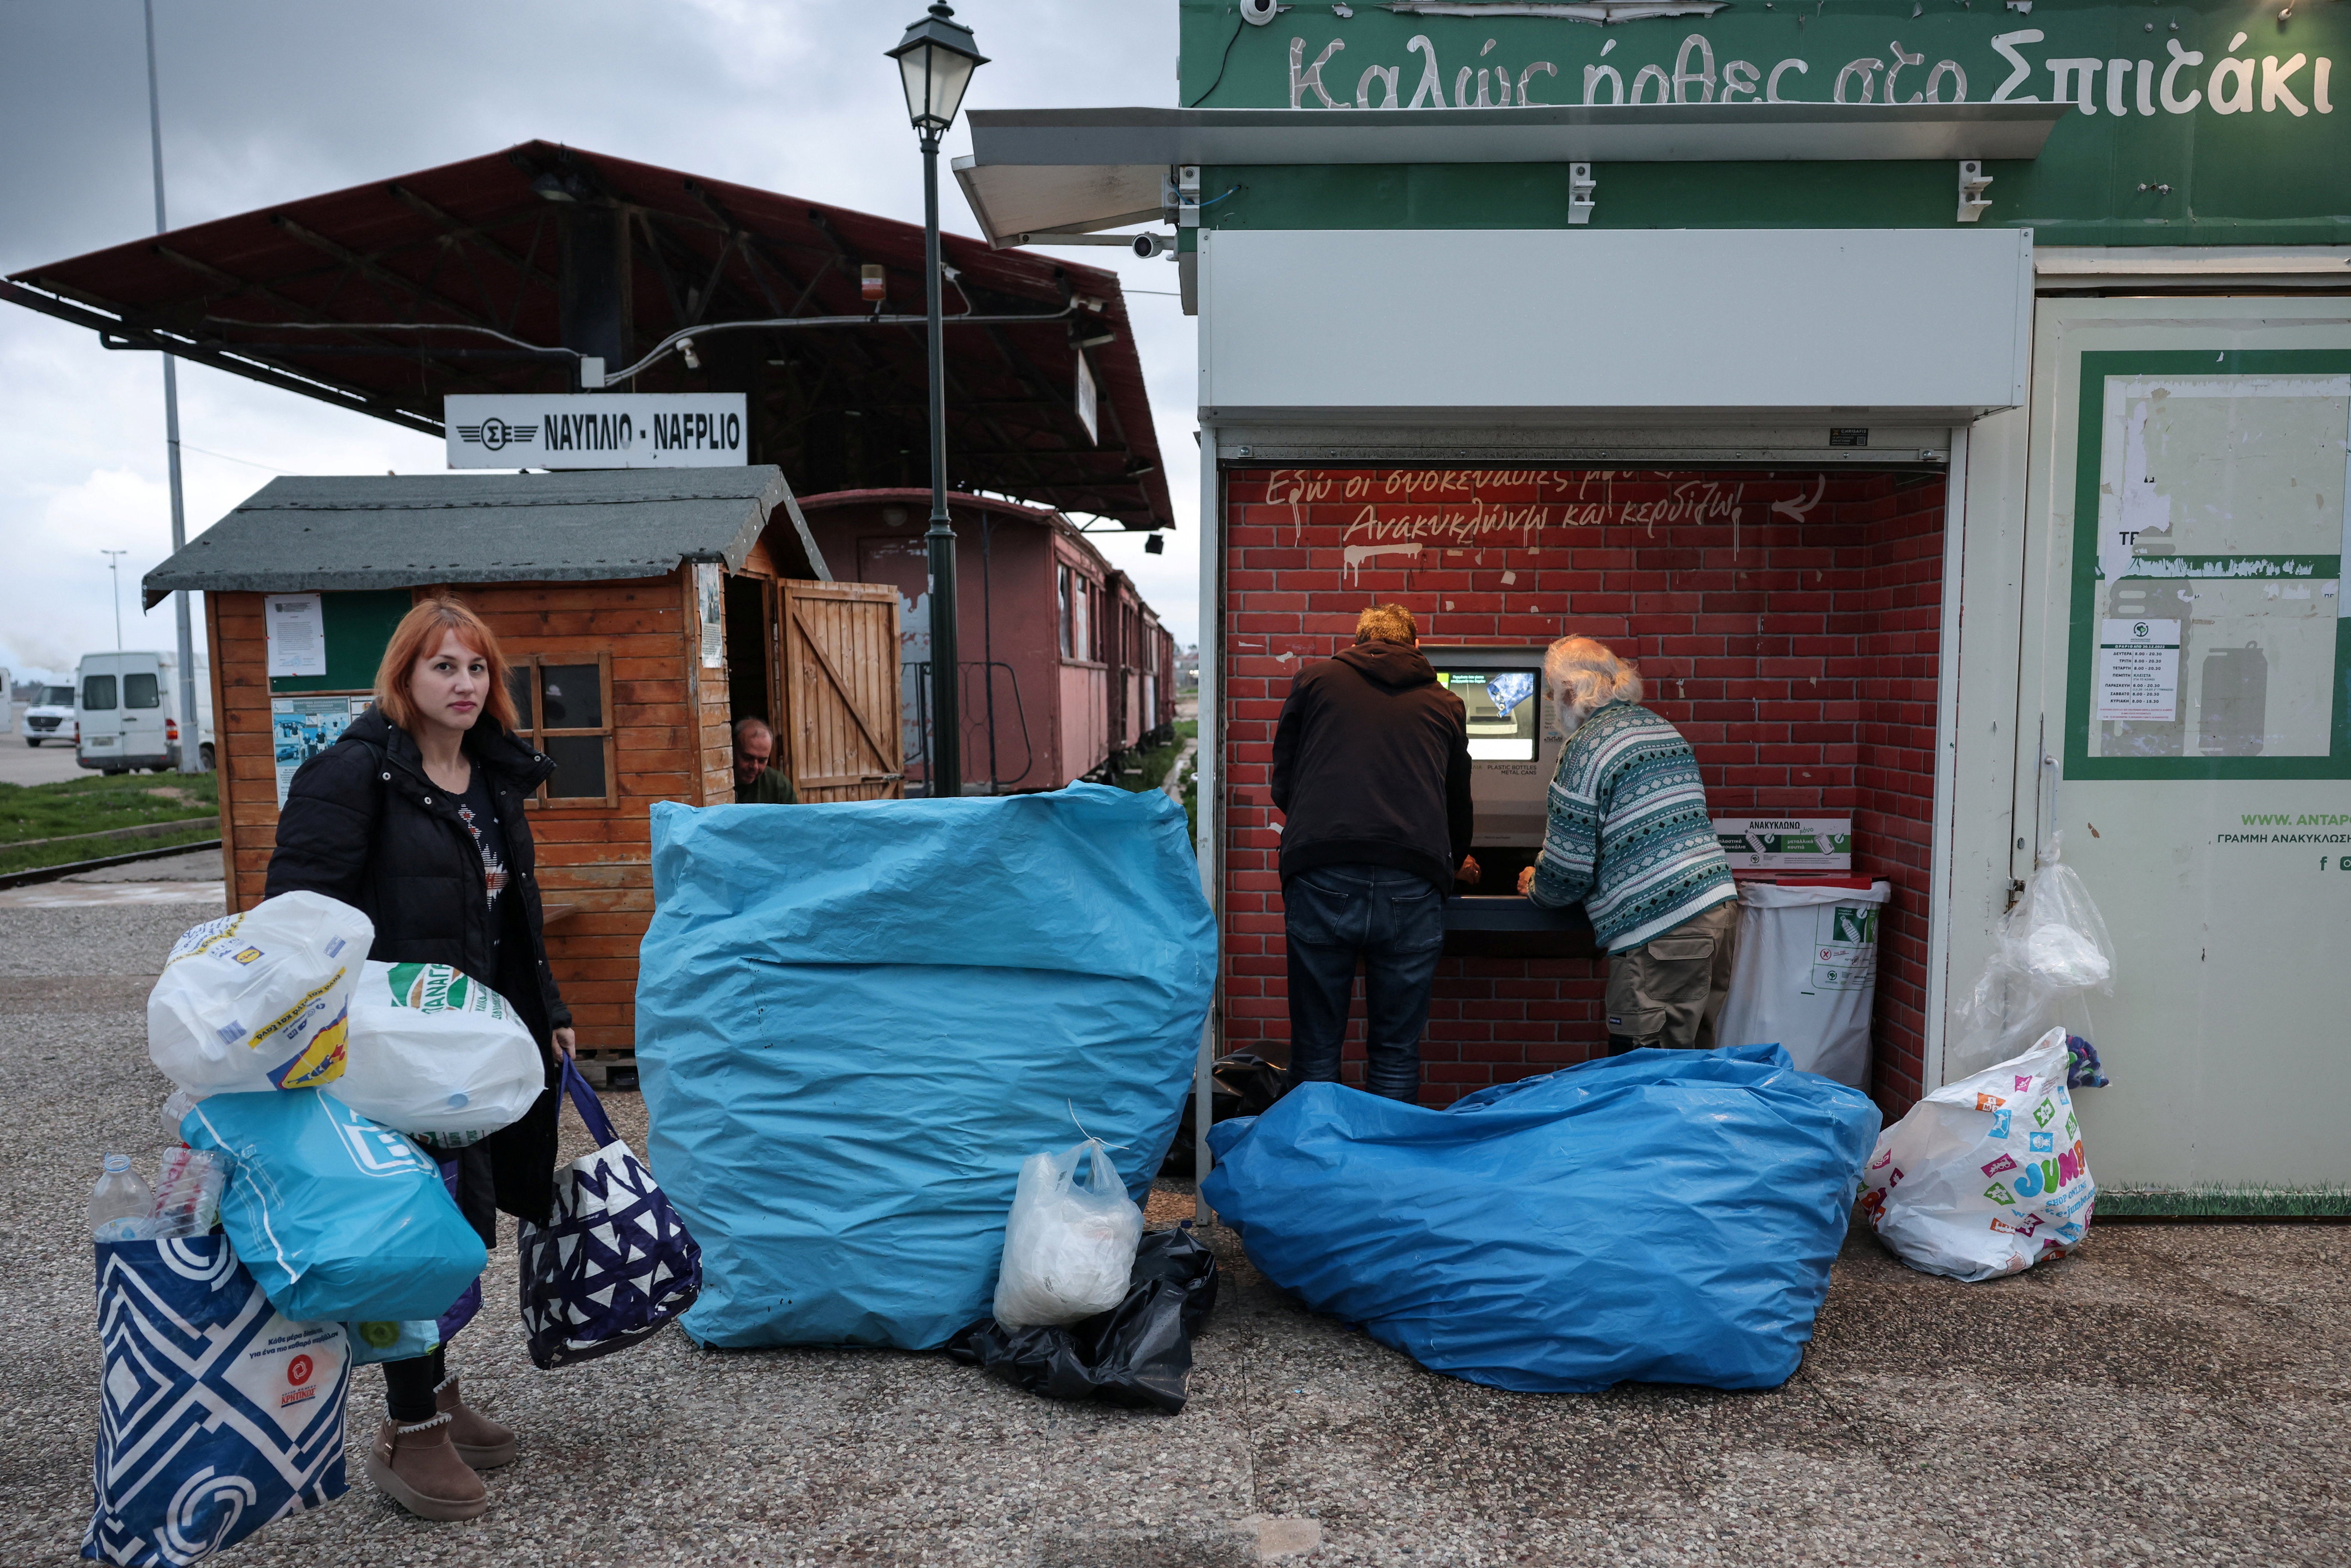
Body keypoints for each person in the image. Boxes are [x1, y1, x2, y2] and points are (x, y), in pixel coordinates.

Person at [265, 598, 573, 1523]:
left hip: (466, 1048)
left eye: (477, 669)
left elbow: (512, 915)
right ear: (404, 677)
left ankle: (435, 1391)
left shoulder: (489, 775)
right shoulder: (352, 773)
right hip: (384, 1054)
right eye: (443, 667)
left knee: (458, 1223)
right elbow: (299, 920)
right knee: (404, 1229)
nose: (464, 685)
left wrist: (550, 1011)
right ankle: (409, 1427)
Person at [1270, 603, 1475, 1102]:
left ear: (1358, 640)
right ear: (1417, 645)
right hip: (1412, 878)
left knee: (1316, 1047)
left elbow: (1284, 783)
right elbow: (1457, 802)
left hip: (1322, 871)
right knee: (1395, 1050)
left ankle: (1317, 1169)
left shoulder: (1314, 682)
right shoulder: (1445, 702)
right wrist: (1455, 862)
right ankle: (1384, 1176)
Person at [1517, 635, 1739, 1054]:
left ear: (1570, 689)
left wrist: (1535, 885)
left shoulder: (1586, 747)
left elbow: (1567, 870)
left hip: (1663, 927)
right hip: (1715, 911)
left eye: (1551, 690)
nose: (1551, 700)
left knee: (1643, 1065)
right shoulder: (1660, 728)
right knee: (1694, 1060)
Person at [733, 716, 797, 803]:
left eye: (762, 761)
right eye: (748, 758)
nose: (755, 767)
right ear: (733, 751)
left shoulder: (779, 786)